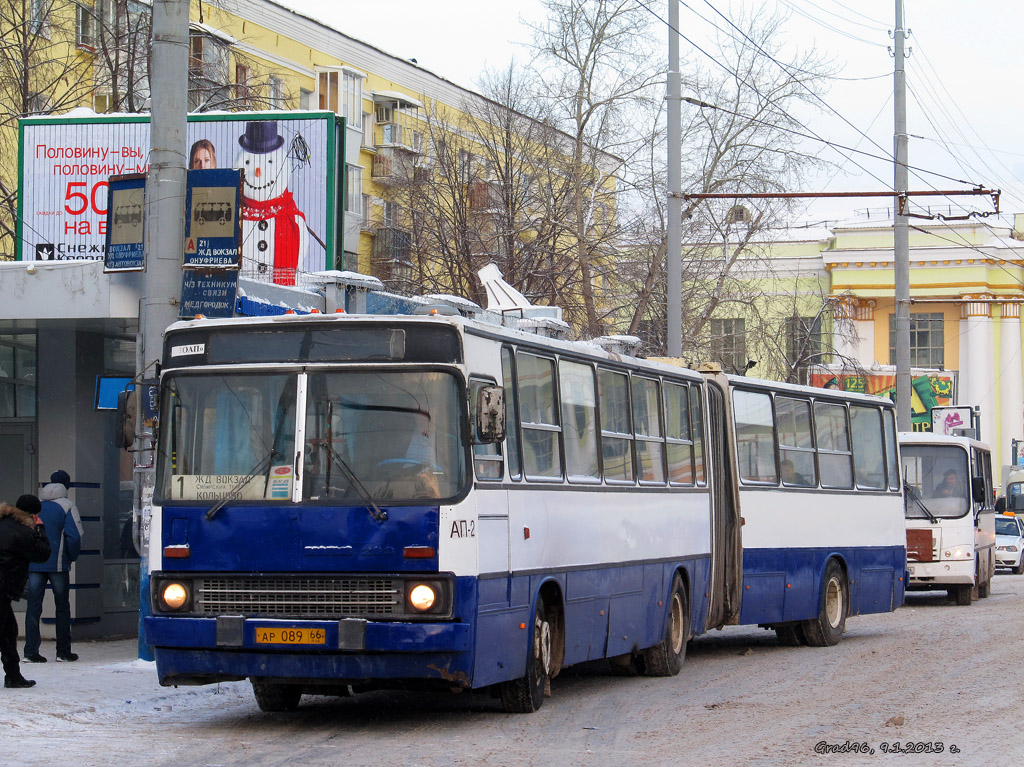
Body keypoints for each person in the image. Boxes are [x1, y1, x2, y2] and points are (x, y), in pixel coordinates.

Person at [23, 470, 83, 664]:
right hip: (57, 564)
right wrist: (70, 557)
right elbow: (74, 537)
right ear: (66, 487)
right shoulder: (67, 507)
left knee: (33, 607)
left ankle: (30, 652)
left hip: (35, 564)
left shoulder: (36, 506)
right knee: (62, 607)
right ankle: (63, 652)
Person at [0, 495, 50, 688]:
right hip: (3, 588)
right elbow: (43, 553)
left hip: (2, 590)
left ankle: (13, 675)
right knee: (5, 631)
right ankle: (13, 676)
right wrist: (40, 529)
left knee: (8, 631)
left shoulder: (4, 523)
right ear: (33, 514)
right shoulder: (23, 532)